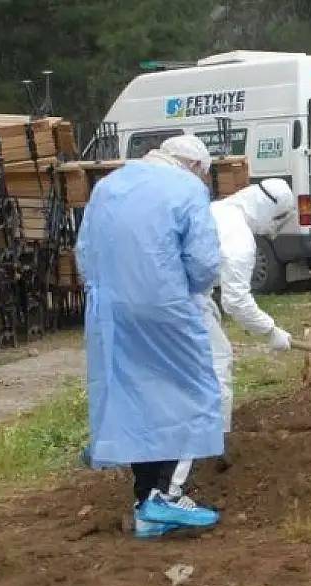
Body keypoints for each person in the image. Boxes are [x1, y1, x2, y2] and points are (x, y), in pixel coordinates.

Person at [76, 135, 224, 539]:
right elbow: (204, 262)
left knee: (138, 398)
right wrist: (186, 293)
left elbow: (84, 251)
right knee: (193, 393)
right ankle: (167, 495)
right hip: (164, 306)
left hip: (111, 311)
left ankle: (145, 505)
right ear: (195, 166)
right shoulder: (188, 188)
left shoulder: (107, 185)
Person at [168, 178, 297, 497]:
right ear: (273, 213)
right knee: (214, 375)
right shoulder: (239, 239)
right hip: (183, 303)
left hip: (170, 297)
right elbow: (236, 302)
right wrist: (271, 332)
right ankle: (181, 477)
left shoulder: (217, 209)